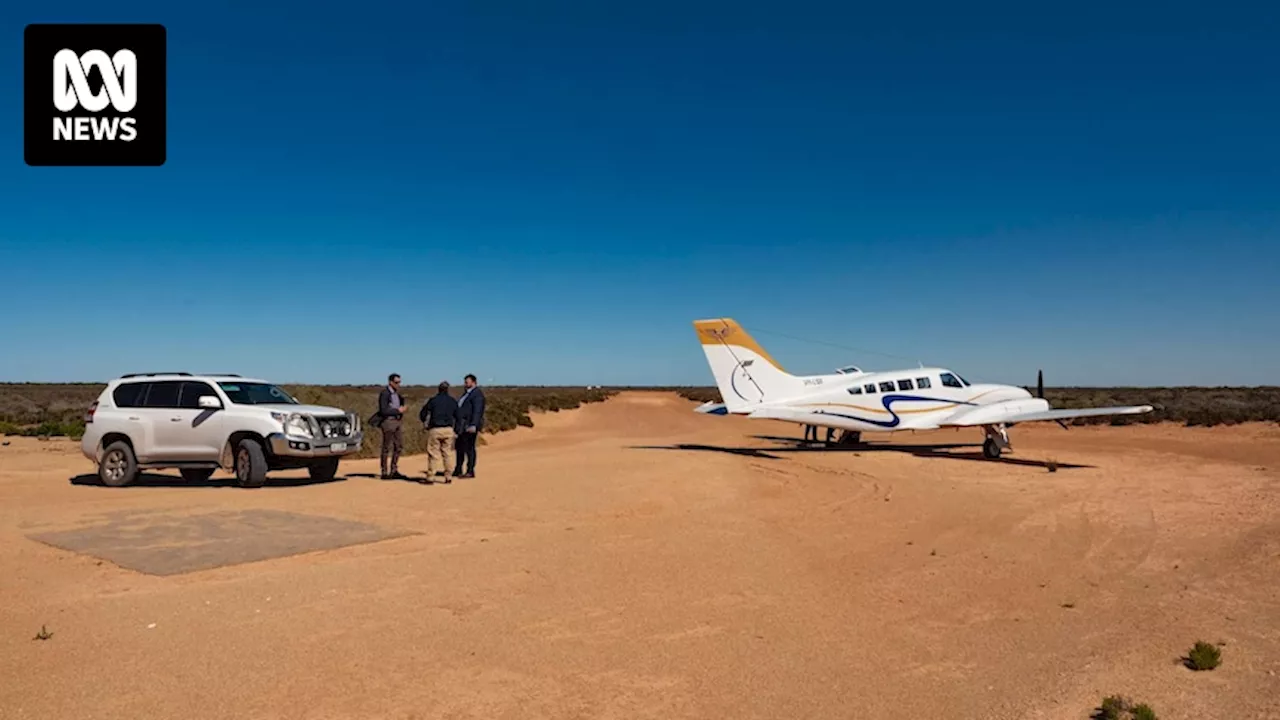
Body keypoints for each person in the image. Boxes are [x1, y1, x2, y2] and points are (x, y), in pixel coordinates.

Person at [418, 381, 459, 483]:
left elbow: (423, 413)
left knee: (433, 453)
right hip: (448, 429)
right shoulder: (452, 401)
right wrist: (457, 429)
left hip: (435, 429)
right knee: (447, 453)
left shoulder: (433, 400)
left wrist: (424, 422)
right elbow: (458, 416)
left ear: (438, 389)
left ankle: (431, 476)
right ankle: (448, 476)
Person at [453, 374, 486, 478]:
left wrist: (473, 425)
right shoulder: (466, 394)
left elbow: (477, 411)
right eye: (465, 382)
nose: (465, 384)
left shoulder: (477, 395)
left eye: (467, 382)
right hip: (461, 426)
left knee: (469, 448)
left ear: (474, 382)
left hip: (469, 425)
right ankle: (458, 469)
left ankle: (470, 470)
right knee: (459, 447)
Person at [377, 373, 406, 479]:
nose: (398, 384)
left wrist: (401, 411)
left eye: (399, 382)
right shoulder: (385, 393)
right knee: (386, 447)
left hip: (397, 421)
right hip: (388, 422)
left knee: (399, 446)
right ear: (390, 382)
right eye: (396, 382)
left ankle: (394, 469)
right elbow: (383, 410)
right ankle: (384, 471)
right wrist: (397, 410)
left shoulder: (397, 394)